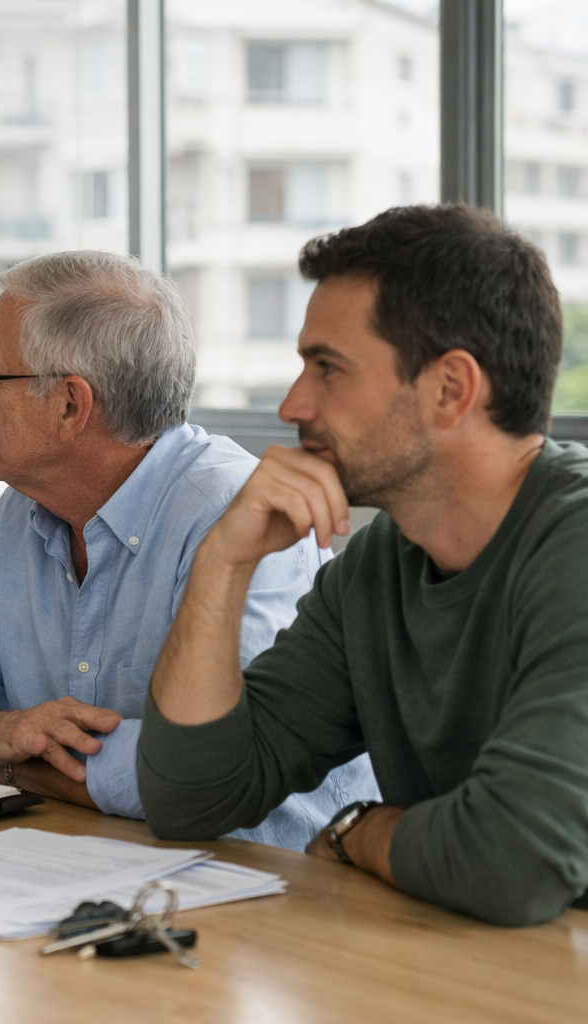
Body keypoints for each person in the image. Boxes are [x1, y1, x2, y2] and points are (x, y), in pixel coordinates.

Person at [137, 204, 588, 926]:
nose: (293, 404)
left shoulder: (575, 545)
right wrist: (222, 561)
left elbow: (515, 859)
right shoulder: (381, 564)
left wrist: (359, 829)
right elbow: (191, 799)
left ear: (451, 390)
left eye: (328, 368)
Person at [0, 251, 378, 851]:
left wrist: (6, 766)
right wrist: (1, 730)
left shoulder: (239, 514)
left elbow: (208, 776)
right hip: (87, 859)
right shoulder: (18, 516)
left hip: (269, 882)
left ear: (70, 405)